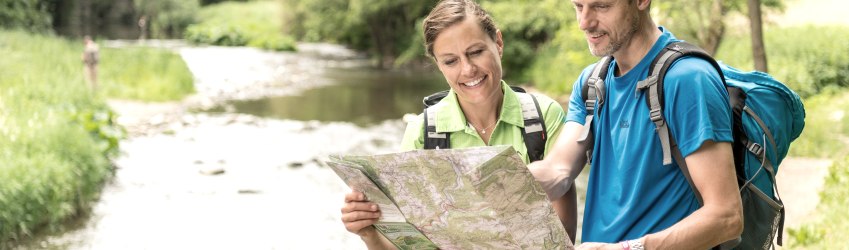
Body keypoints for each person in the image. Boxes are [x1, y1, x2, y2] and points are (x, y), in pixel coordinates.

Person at [339, 0, 576, 248]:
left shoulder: (544, 117)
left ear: (498, 43)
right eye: (451, 61)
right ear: (438, 65)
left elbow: (563, 238)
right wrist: (369, 233)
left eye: (475, 52)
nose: (468, 69)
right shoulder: (422, 133)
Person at [528, 0, 743, 249]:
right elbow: (558, 171)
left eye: (601, 6)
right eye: (578, 6)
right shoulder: (592, 83)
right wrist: (490, 182)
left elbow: (727, 216)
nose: (584, 22)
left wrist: (629, 248)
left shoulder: (688, 79)